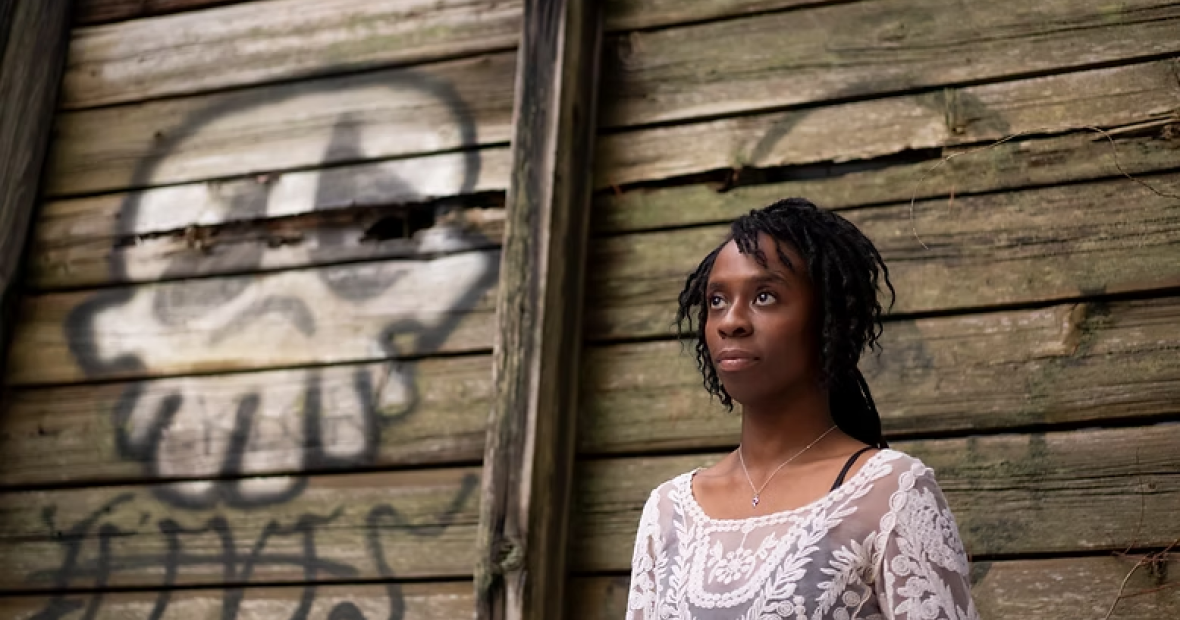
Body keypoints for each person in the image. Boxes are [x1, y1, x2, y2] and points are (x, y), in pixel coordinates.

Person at [625, 198, 979, 619]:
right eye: (717, 300)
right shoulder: (669, 511)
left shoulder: (890, 493)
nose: (730, 321)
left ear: (829, 320)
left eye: (765, 296)